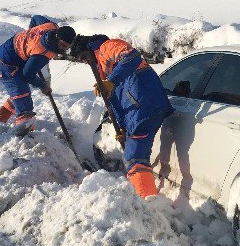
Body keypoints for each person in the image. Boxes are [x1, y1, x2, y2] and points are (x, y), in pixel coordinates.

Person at [70, 34, 173, 199]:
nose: (84, 61)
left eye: (83, 56)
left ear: (89, 47)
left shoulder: (106, 47)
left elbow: (132, 56)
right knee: (133, 157)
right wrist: (123, 128)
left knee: (135, 158)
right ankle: (143, 198)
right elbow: (117, 102)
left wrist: (111, 80)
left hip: (145, 104)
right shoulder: (103, 69)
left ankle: (146, 203)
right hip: (137, 112)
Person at [0, 15, 76, 128]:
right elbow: (27, 74)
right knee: (22, 97)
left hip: (11, 54)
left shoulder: (51, 26)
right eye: (63, 45)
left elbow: (35, 18)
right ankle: (24, 135)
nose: (64, 49)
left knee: (19, 96)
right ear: (56, 38)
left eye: (68, 47)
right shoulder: (42, 52)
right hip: (5, 64)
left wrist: (31, 33)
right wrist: (43, 85)